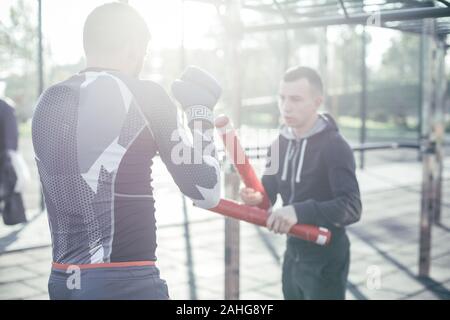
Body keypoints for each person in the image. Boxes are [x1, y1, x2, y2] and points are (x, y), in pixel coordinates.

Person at [31, 2, 221, 300]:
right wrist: (200, 113)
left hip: (62, 280)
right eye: (144, 54)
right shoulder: (144, 94)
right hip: (125, 281)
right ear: (133, 49)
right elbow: (205, 189)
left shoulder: (47, 100)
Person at [240, 66, 362, 300]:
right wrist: (254, 197)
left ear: (317, 102)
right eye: (282, 97)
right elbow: (268, 192)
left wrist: (298, 211)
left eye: (296, 99)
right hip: (292, 253)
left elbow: (352, 206)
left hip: (326, 259)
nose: (286, 106)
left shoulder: (335, 146)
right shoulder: (278, 144)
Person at [0, 98, 27, 225]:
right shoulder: (5, 107)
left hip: (4, 158)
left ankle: (14, 217)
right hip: (5, 157)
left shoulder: (5, 107)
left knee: (10, 190)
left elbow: (11, 135)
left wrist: (10, 155)